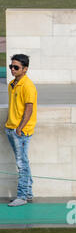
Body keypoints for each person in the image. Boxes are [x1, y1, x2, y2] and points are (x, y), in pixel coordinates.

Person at [5, 54, 37, 207]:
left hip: (20, 132)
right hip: (11, 128)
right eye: (11, 66)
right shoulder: (12, 84)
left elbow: (29, 109)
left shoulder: (28, 86)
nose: (12, 69)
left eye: (16, 67)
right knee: (24, 162)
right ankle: (28, 193)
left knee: (21, 163)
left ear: (25, 69)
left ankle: (22, 196)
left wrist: (20, 128)